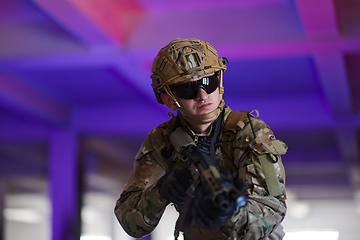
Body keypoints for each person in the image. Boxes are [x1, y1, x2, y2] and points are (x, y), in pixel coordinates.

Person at [114, 38, 288, 240]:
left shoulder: (249, 132)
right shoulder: (162, 140)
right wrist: (161, 190)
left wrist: (229, 214)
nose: (202, 95)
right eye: (188, 89)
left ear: (219, 81)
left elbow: (272, 208)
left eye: (208, 81)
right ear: (169, 99)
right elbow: (130, 222)